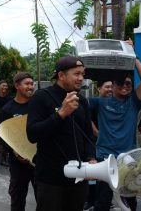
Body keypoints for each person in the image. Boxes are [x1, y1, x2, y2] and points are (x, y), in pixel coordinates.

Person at [26, 56, 96, 211]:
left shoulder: (82, 101)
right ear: (61, 75)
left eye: (82, 74)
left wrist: (91, 158)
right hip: (51, 179)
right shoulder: (41, 97)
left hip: (79, 177)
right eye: (76, 74)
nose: (81, 79)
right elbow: (32, 134)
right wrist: (61, 113)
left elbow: (89, 136)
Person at [90, 53, 141, 211]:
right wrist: (96, 132)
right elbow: (82, 116)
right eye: (120, 83)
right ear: (112, 85)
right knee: (102, 201)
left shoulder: (134, 102)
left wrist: (134, 57)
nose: (125, 86)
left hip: (129, 160)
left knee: (130, 201)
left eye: (128, 83)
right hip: (105, 159)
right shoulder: (99, 103)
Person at [0, 72, 36, 211]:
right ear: (17, 86)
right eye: (27, 84)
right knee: (18, 198)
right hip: (18, 163)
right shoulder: (7, 110)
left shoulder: (38, 105)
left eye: (32, 84)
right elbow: (2, 135)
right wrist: (14, 152)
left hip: (38, 160)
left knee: (44, 197)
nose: (30, 87)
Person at [84, 80, 112, 210]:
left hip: (109, 145)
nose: (110, 89)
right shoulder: (94, 102)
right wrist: (97, 133)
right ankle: (90, 200)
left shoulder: (115, 104)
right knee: (93, 174)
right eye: (107, 87)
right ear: (99, 89)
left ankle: (102, 200)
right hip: (94, 143)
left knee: (106, 175)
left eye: (112, 87)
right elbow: (87, 118)